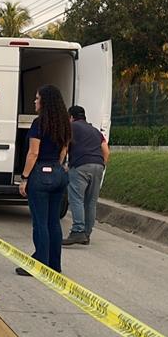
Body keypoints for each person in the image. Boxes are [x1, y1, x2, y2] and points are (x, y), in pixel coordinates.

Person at [16, 85, 70, 276]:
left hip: (39, 173)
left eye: (37, 98)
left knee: (40, 223)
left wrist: (24, 178)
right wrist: (57, 167)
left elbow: (33, 153)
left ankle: (39, 264)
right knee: (53, 222)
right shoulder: (64, 123)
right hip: (58, 172)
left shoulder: (39, 123)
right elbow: (64, 150)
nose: (35, 101)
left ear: (45, 102)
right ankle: (54, 265)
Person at [62, 105, 109, 246]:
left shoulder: (71, 128)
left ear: (71, 117)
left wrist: (62, 165)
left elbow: (64, 148)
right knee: (91, 202)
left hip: (80, 166)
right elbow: (106, 151)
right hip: (98, 166)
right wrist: (100, 166)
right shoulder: (95, 131)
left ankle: (77, 231)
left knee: (76, 199)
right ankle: (86, 234)